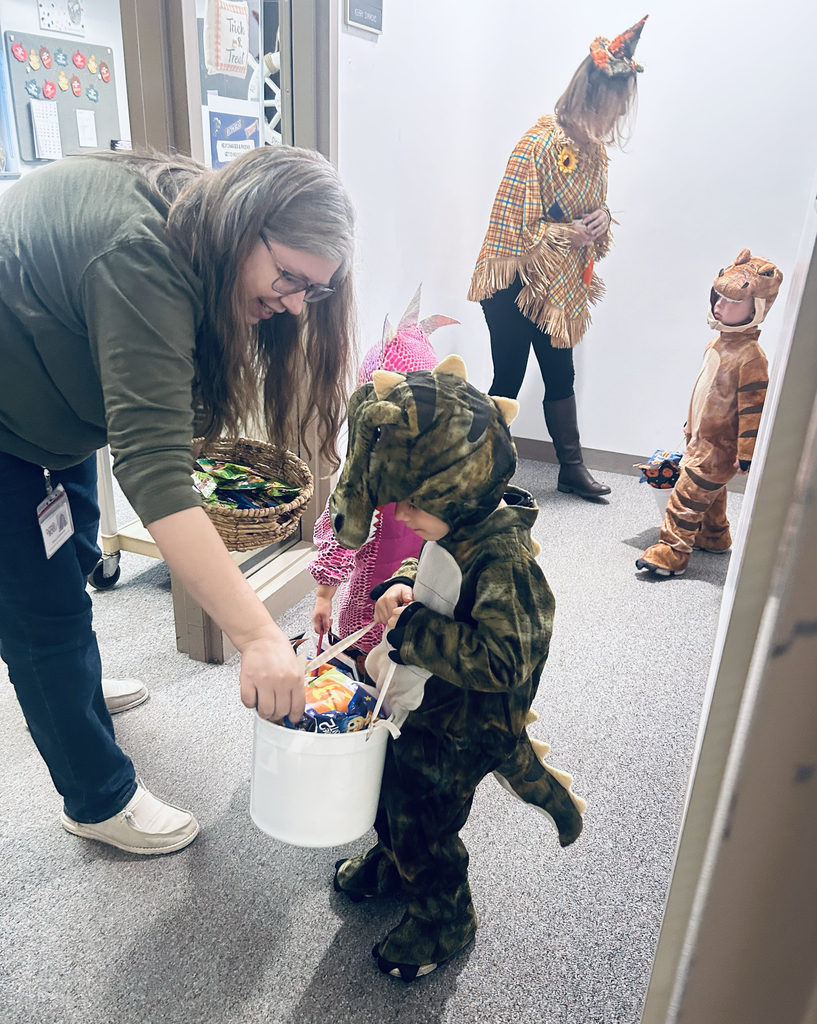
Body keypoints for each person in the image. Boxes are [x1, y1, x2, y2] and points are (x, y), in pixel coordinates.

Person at [0, 146, 355, 854]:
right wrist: (256, 635)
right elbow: (155, 473)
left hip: (46, 407)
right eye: (288, 277)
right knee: (42, 616)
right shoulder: (140, 255)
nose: (292, 302)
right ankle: (96, 799)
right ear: (246, 223)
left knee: (71, 555)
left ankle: (74, 687)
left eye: (311, 290)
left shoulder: (205, 225)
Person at [329, 355, 585, 981]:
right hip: (422, 708)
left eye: (414, 505)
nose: (403, 516)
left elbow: (502, 659)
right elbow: (433, 572)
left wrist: (413, 631)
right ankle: (393, 861)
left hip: (463, 728)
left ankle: (445, 920)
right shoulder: (455, 526)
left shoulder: (507, 564)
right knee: (390, 792)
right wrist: (401, 582)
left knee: (426, 821)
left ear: (457, 488)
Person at [468, 16, 647, 499]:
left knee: (560, 373)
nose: (619, 114)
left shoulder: (593, 152)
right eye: (615, 104)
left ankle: (571, 468)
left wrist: (602, 220)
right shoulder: (537, 146)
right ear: (591, 96)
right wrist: (572, 231)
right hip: (513, 283)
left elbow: (592, 207)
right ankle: (485, 477)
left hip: (558, 283)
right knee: (508, 376)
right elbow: (513, 231)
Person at [309, 285, 457, 653]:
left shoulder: (430, 463)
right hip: (396, 593)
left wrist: (324, 597)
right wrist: (325, 594)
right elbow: (344, 532)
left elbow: (342, 534)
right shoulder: (379, 470)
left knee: (386, 652)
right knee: (383, 653)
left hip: (408, 589)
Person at [636, 250, 783, 577]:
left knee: (686, 498)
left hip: (719, 449)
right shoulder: (717, 345)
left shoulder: (751, 357)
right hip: (700, 439)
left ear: (756, 308)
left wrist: (747, 454)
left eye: (732, 302)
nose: (719, 305)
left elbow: (753, 408)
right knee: (710, 495)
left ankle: (672, 552)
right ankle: (714, 535)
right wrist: (691, 425)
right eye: (718, 297)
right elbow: (705, 392)